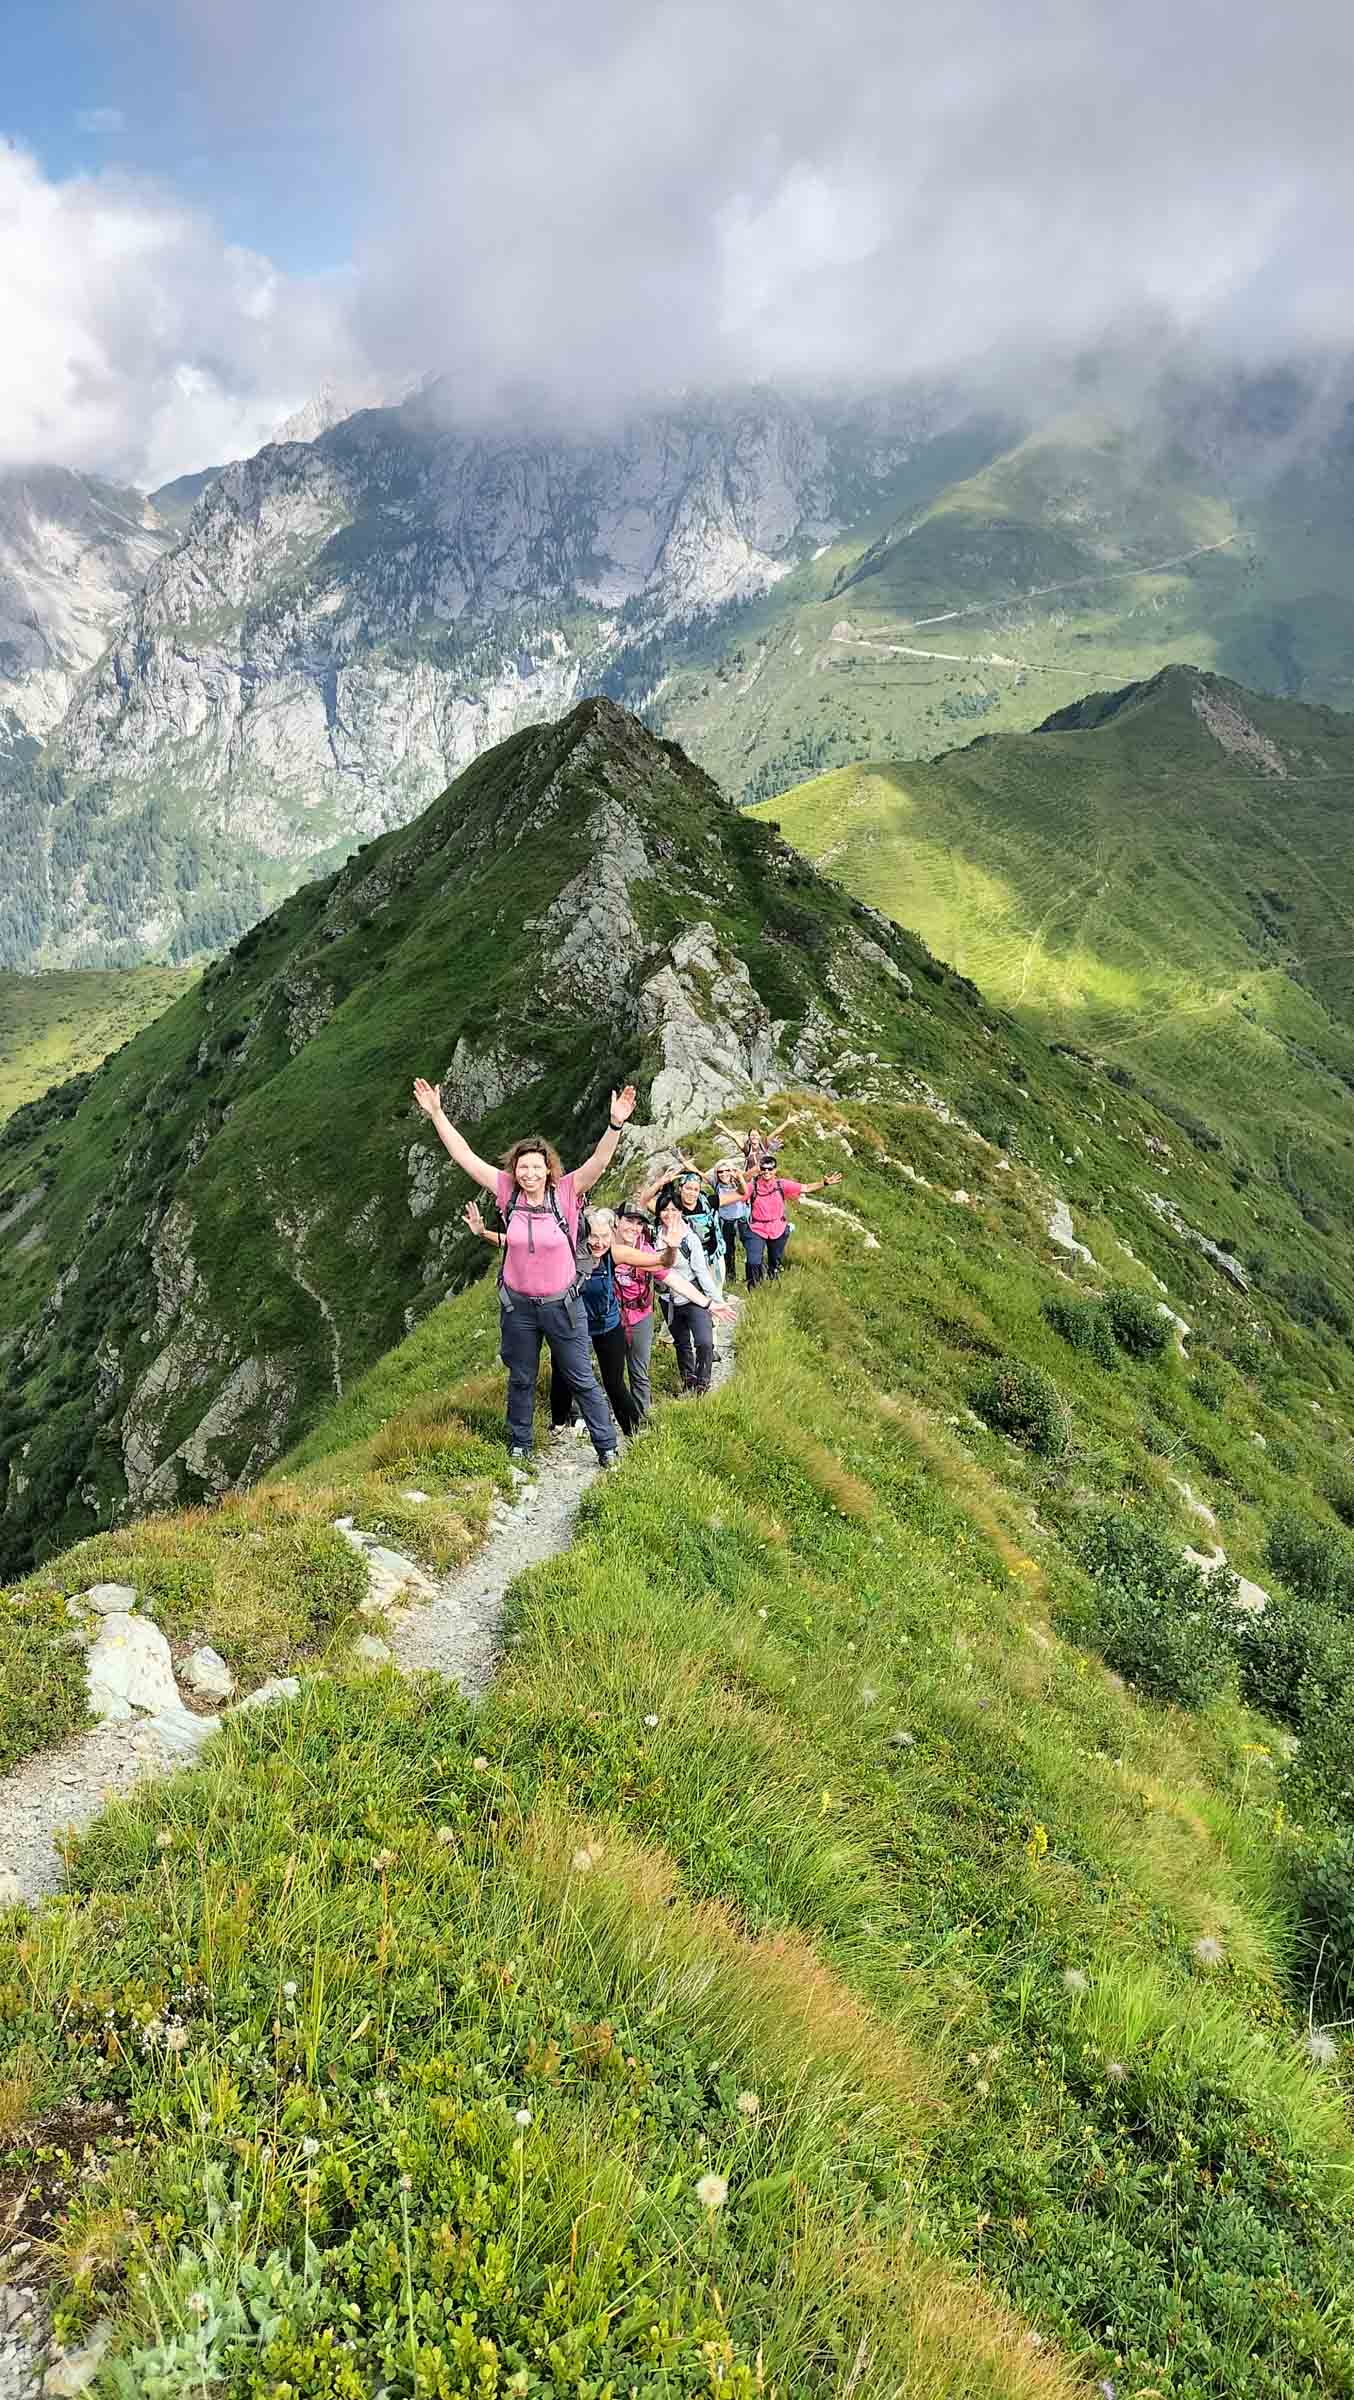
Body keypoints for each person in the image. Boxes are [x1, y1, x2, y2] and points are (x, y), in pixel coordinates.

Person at [412, 1074, 635, 1464]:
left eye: (536, 1167)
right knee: (520, 1378)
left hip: (562, 1306)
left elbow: (598, 1163)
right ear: (515, 1171)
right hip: (519, 1308)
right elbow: (464, 1156)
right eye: (523, 1168)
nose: (529, 1174)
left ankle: (607, 1446)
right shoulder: (506, 1192)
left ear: (549, 1170)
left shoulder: (565, 1192)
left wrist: (615, 1124)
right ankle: (520, 1443)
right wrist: (437, 1115)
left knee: (581, 1375)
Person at [465, 1200, 718, 1437]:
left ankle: (635, 1431)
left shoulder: (616, 1253)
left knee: (614, 1382)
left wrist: (672, 1247)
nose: (599, 1243)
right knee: (563, 1373)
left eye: (605, 1237)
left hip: (608, 1324)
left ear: (612, 1234)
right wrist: (482, 1233)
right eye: (594, 1237)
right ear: (586, 1235)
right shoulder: (569, 1252)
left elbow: (661, 1262)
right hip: (574, 1325)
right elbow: (518, 1243)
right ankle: (560, 1421)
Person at [656, 1195, 727, 1394]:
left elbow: (702, 1273)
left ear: (681, 1212)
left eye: (674, 1210)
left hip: (693, 1296)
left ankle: (702, 1383)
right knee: (681, 1343)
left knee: (704, 1342)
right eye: (665, 1210)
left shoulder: (690, 1238)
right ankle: (689, 1380)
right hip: (668, 1299)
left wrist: (716, 1302)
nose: (669, 1214)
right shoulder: (654, 1235)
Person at [744, 1160, 842, 1287]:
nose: (767, 1171)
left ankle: (772, 1280)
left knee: (774, 1260)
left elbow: (805, 1188)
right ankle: (753, 1288)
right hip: (757, 1228)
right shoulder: (753, 1187)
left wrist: (824, 1183)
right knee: (753, 1261)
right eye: (764, 1169)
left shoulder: (781, 1185)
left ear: (775, 1170)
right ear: (760, 1170)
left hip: (777, 1228)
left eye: (770, 1169)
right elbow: (739, 1193)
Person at [712, 1158, 749, 1285]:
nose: (723, 1174)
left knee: (749, 1247)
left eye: (726, 1170)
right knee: (728, 1251)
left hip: (741, 1220)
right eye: (720, 1172)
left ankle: (752, 1276)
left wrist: (739, 1177)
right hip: (725, 1222)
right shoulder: (716, 1184)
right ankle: (731, 1278)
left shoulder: (737, 1181)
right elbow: (698, 1172)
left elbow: (744, 1191)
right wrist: (682, 1160)